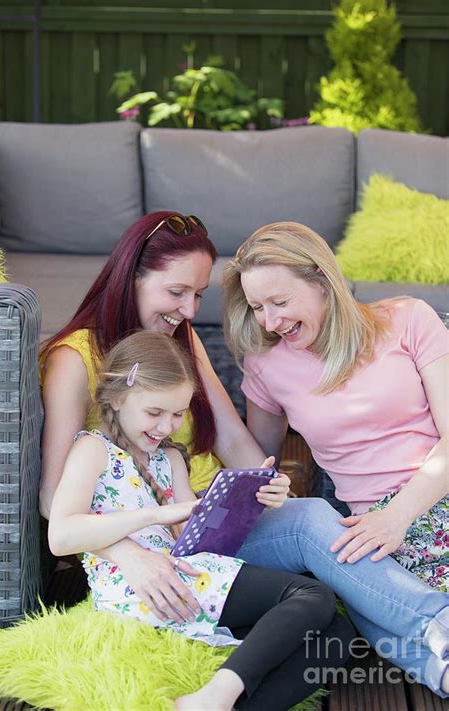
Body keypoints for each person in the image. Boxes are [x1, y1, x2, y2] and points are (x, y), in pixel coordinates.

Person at [41, 210, 447, 696]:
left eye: (197, 295)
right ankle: (436, 621)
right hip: (143, 538)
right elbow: (53, 502)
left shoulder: (181, 339)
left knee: (327, 584)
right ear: (131, 277)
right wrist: (128, 555)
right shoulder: (75, 359)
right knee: (312, 522)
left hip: (210, 515)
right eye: (176, 293)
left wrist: (266, 482)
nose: (190, 310)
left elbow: (235, 441)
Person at [48, 331, 354, 711]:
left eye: (177, 414)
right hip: (137, 588)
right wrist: (156, 514)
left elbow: (191, 537)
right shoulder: (92, 450)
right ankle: (215, 697)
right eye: (154, 413)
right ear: (115, 398)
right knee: (314, 596)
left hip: (186, 576)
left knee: (338, 631)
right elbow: (61, 536)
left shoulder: (169, 458)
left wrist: (247, 500)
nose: (165, 427)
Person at [223, 221, 449, 697]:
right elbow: (257, 460)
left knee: (374, 613)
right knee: (369, 607)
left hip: (430, 497)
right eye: (258, 307)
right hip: (366, 532)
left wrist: (397, 517)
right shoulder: (267, 365)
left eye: (279, 303)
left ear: (323, 281)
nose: (268, 321)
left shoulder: (408, 319)